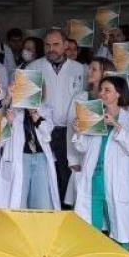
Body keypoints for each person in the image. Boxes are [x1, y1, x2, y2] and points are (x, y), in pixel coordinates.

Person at [71, 76, 129, 249]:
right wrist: (79, 131)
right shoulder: (93, 116)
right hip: (94, 181)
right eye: (101, 89)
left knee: (120, 232)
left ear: (118, 93)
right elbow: (82, 147)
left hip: (117, 183)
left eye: (107, 90)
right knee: (91, 232)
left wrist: (117, 126)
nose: (101, 93)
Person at [26, 29, 86, 206]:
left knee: (68, 174)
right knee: (45, 176)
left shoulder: (80, 69)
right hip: (43, 130)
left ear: (66, 45)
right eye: (47, 45)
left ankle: (68, 217)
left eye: (56, 44)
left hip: (70, 130)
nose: (51, 49)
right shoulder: (33, 68)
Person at [65, 57, 116, 205]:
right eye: (89, 68)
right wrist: (73, 160)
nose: (89, 72)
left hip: (107, 160)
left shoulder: (115, 100)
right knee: (84, 205)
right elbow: (71, 131)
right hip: (83, 157)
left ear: (105, 73)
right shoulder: (80, 97)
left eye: (94, 69)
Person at [0, 97, 59, 210]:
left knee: (42, 203)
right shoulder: (11, 108)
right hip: (20, 159)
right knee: (19, 202)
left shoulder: (45, 109)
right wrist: (8, 121)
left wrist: (34, 114)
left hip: (41, 159)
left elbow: (47, 131)